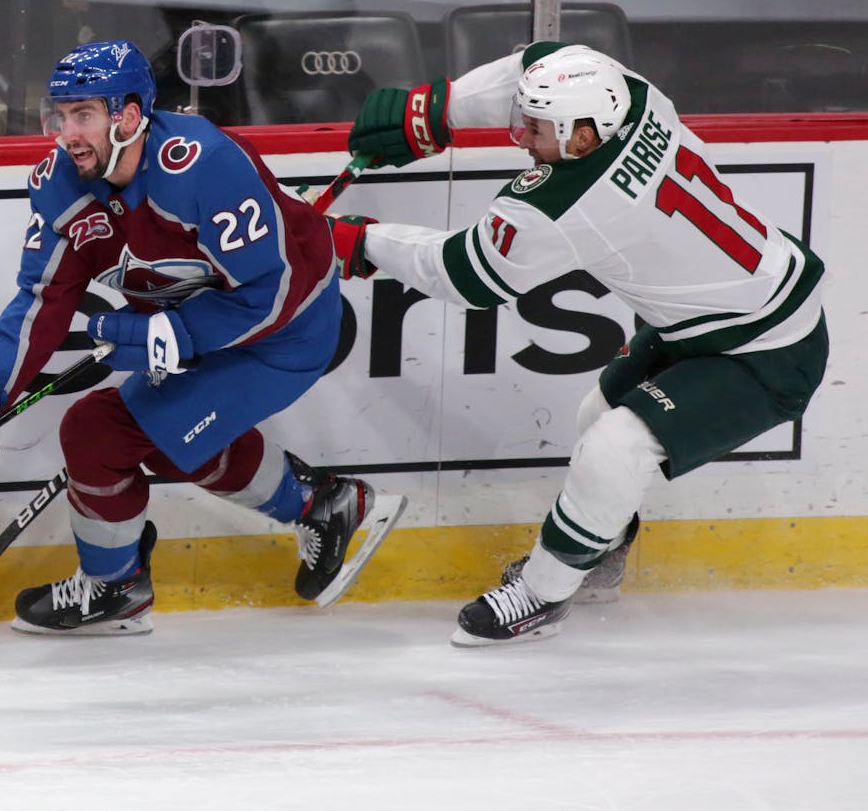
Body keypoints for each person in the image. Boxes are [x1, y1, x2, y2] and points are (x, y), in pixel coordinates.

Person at [331, 41, 829, 647]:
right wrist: (440, 110)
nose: (522, 138)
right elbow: (536, 60)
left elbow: (464, 275)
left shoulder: (567, 205)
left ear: (585, 137)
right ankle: (597, 555)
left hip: (768, 351)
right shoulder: (636, 99)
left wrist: (363, 241)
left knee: (614, 447)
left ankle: (542, 594)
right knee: (596, 414)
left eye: (537, 130)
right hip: (718, 316)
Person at [0, 39, 406, 636]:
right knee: (135, 434)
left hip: (287, 331)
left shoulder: (201, 164)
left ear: (129, 116)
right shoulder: (61, 182)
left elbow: (274, 292)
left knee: (108, 432)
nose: (66, 133)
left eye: (84, 115)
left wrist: (173, 332)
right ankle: (320, 503)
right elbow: (41, 301)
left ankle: (120, 584)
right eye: (59, 115)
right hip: (206, 325)